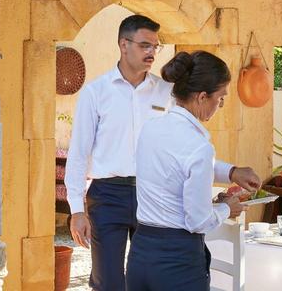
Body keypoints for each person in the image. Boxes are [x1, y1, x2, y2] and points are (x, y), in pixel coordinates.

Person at [66, 15, 260, 291]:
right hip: (108, 194)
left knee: (146, 271)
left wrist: (230, 171)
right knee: (108, 282)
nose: (151, 53)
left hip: (154, 192)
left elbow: (185, 153)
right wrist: (76, 210)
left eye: (155, 47)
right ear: (124, 44)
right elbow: (78, 154)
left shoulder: (168, 92)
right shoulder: (95, 93)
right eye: (145, 45)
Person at [125, 50, 258, 291]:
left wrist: (232, 172)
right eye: (220, 99)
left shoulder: (150, 128)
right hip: (178, 262)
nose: (220, 105)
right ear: (202, 97)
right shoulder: (199, 147)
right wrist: (227, 208)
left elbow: (176, 166)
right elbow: (198, 221)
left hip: (140, 254)